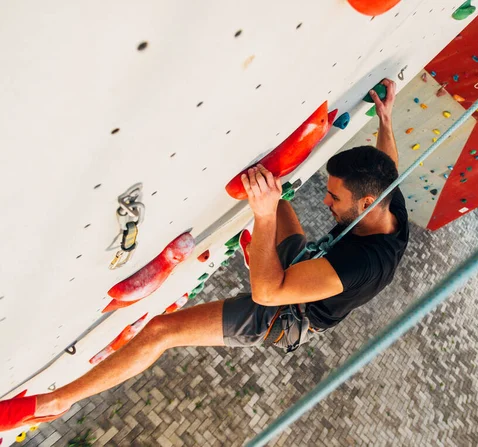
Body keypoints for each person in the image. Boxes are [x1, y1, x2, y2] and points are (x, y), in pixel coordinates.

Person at [0, 78, 409, 430]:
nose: (324, 201)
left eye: (334, 196)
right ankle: (265, 249)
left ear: (368, 202)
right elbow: (386, 165)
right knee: (270, 186)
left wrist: (264, 218)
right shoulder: (388, 202)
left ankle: (57, 402)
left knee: (163, 330)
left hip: (286, 311)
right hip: (310, 263)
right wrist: (386, 122)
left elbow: (267, 293)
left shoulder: (362, 266)